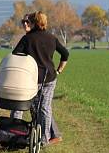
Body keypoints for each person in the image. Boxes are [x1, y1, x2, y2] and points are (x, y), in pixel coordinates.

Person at [11, 11, 69, 145]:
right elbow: (65, 54)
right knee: (44, 108)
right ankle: (45, 139)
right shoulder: (52, 38)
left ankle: (16, 133)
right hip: (49, 78)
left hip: (31, 79)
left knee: (27, 105)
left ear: (33, 23)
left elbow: (15, 55)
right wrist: (59, 70)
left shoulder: (28, 39)